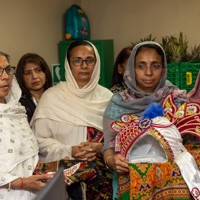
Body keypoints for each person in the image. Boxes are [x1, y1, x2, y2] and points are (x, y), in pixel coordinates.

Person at [103, 41, 200, 199]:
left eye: (155, 66)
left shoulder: (175, 97)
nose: (148, 72)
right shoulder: (118, 103)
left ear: (163, 69)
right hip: (129, 174)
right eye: (141, 66)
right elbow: (108, 145)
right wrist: (111, 159)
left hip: (174, 178)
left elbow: (189, 136)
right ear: (132, 69)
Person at [31, 40, 113, 200]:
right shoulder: (52, 98)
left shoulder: (108, 98)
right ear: (68, 64)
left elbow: (118, 140)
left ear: (96, 63)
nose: (84, 65)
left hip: (103, 183)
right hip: (66, 183)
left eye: (90, 60)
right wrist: (70, 151)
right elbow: (38, 141)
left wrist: (100, 148)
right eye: (77, 60)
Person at [0, 51, 52, 200]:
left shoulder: (16, 110)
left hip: (33, 191)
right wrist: (22, 183)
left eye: (8, 70)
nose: (5, 76)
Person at [15, 53, 53, 122]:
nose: (34, 76)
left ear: (45, 73)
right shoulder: (19, 105)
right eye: (28, 73)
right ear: (21, 78)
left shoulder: (57, 96)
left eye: (38, 70)